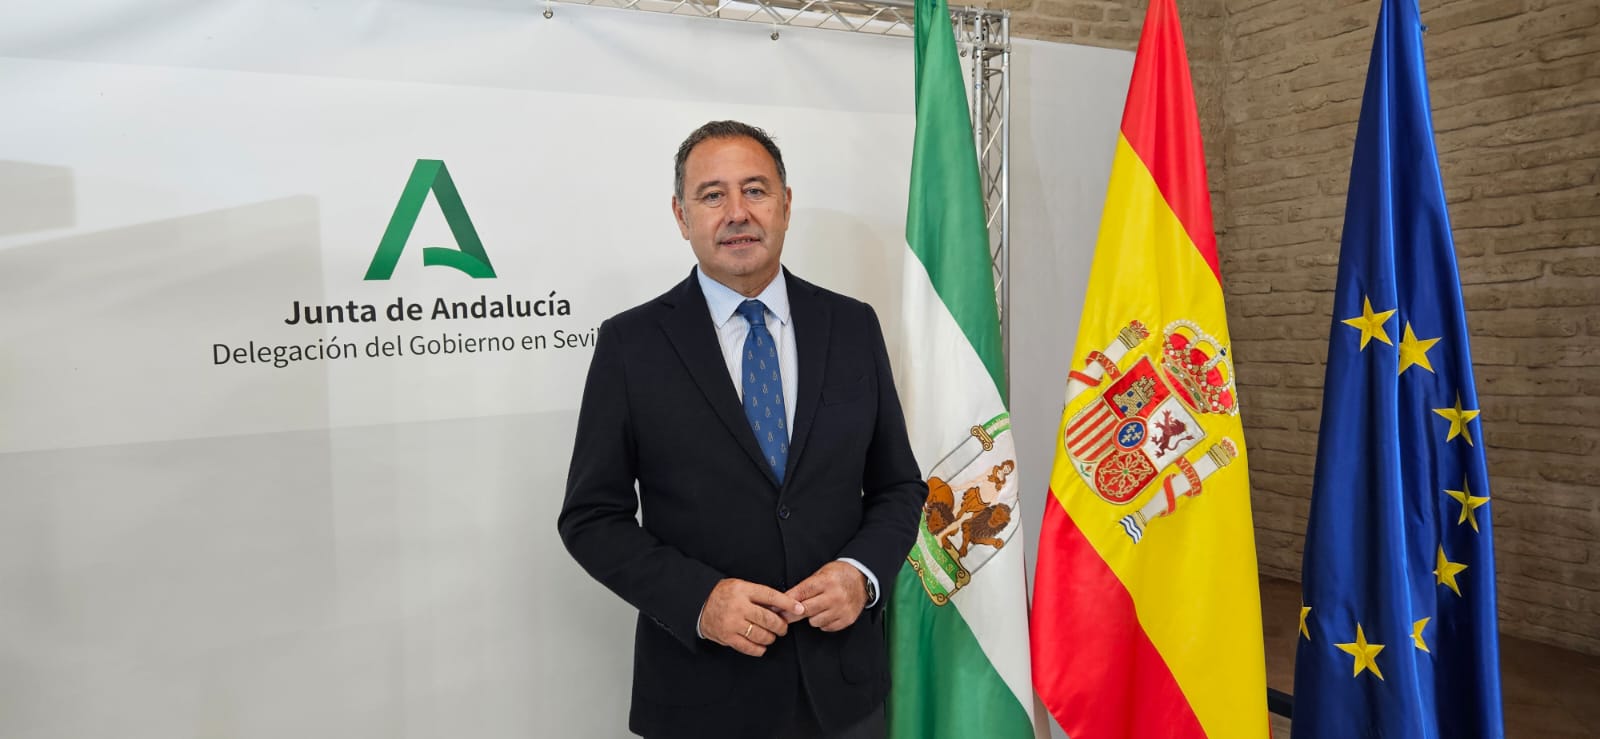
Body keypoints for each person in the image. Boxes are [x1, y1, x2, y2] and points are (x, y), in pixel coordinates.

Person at [557, 120, 924, 739]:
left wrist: (861, 575)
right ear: (681, 215)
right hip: (701, 697)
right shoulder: (632, 344)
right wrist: (700, 600)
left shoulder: (852, 325)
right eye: (712, 195)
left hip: (843, 695)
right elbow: (592, 518)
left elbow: (898, 487)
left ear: (785, 205)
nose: (736, 213)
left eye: (755, 190)